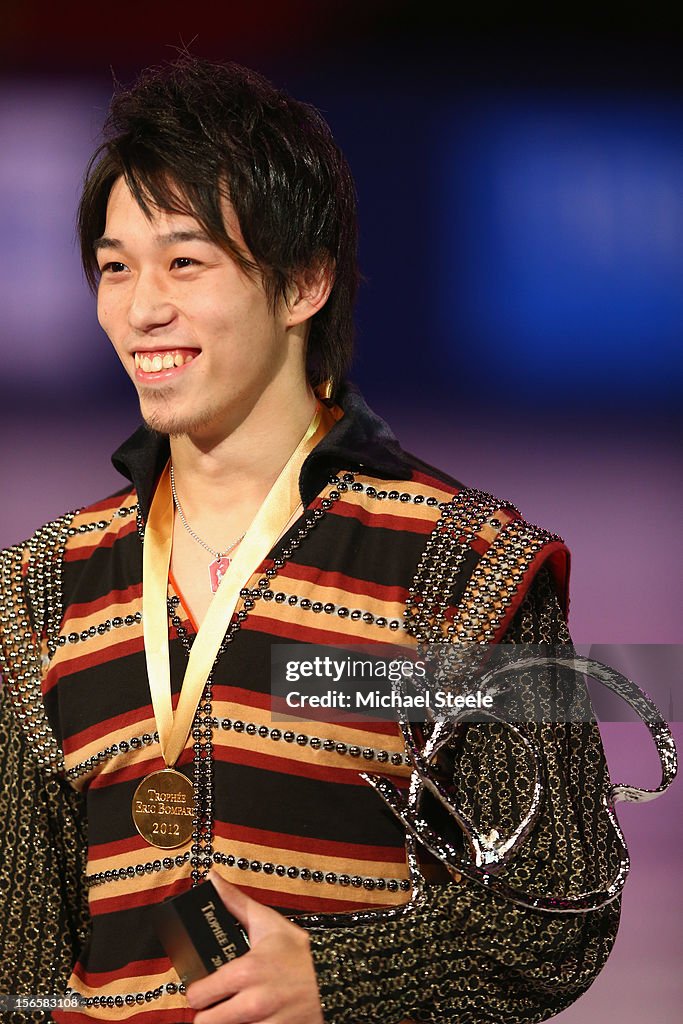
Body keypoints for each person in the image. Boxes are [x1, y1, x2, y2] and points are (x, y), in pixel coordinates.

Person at [0, 57, 623, 1023]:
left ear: (303, 283)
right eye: (115, 266)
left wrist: (339, 981)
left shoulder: (461, 562)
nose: (140, 306)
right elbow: (20, 961)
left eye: (186, 261)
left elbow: (559, 907)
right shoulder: (44, 584)